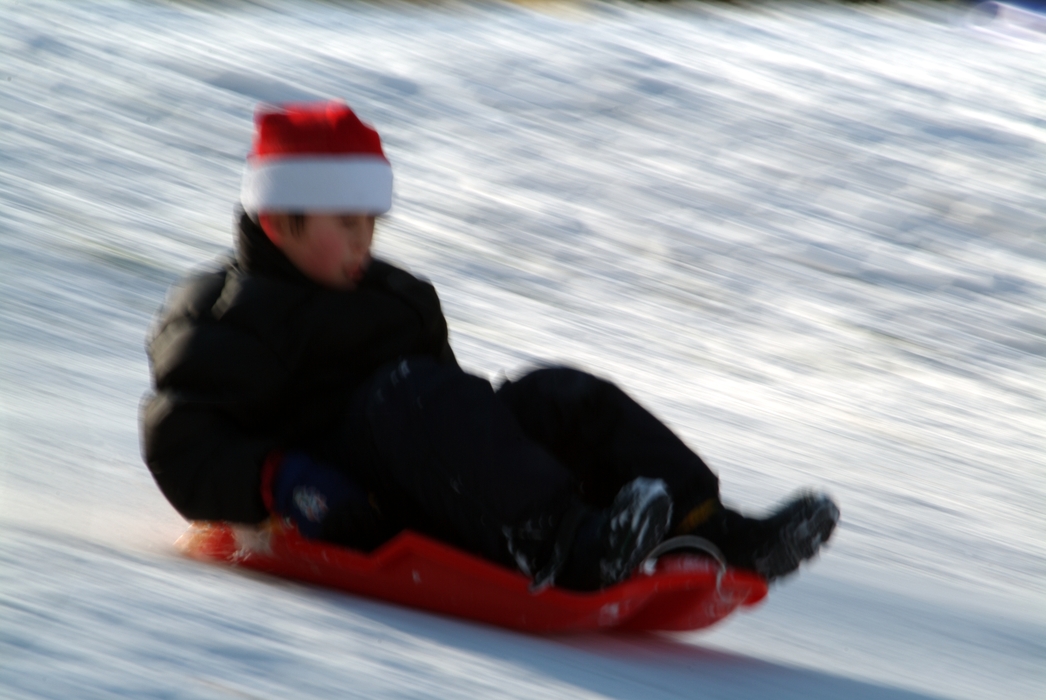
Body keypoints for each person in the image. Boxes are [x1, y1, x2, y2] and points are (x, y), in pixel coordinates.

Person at [142, 101, 838, 592]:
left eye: (371, 223)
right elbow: (179, 439)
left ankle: (706, 529)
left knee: (559, 395)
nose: (364, 242)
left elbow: (450, 412)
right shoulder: (222, 313)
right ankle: (562, 543)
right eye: (344, 223)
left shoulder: (396, 296)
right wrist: (276, 478)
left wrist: (511, 436)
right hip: (340, 500)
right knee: (406, 393)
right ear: (275, 221)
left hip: (426, 471)